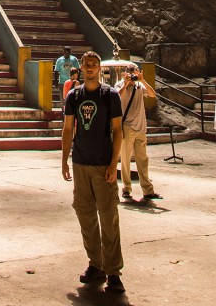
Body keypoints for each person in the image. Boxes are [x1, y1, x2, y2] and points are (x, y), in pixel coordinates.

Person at [62, 50, 125, 295]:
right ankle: (95, 264)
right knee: (86, 216)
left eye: (93, 64)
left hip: (102, 163)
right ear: (81, 67)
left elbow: (118, 131)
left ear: (100, 69)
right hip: (80, 163)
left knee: (108, 217)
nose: (89, 67)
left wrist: (113, 164)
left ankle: (114, 272)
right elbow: (68, 129)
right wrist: (64, 159)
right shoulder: (74, 96)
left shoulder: (110, 95)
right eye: (86, 64)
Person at [117, 63, 161, 201]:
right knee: (125, 159)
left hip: (140, 126)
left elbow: (153, 95)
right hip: (127, 127)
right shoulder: (119, 84)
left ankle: (148, 190)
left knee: (143, 159)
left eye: (134, 71)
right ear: (125, 73)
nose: (131, 74)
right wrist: (126, 84)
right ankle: (126, 188)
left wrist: (142, 80)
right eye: (129, 71)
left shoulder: (139, 86)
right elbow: (117, 96)